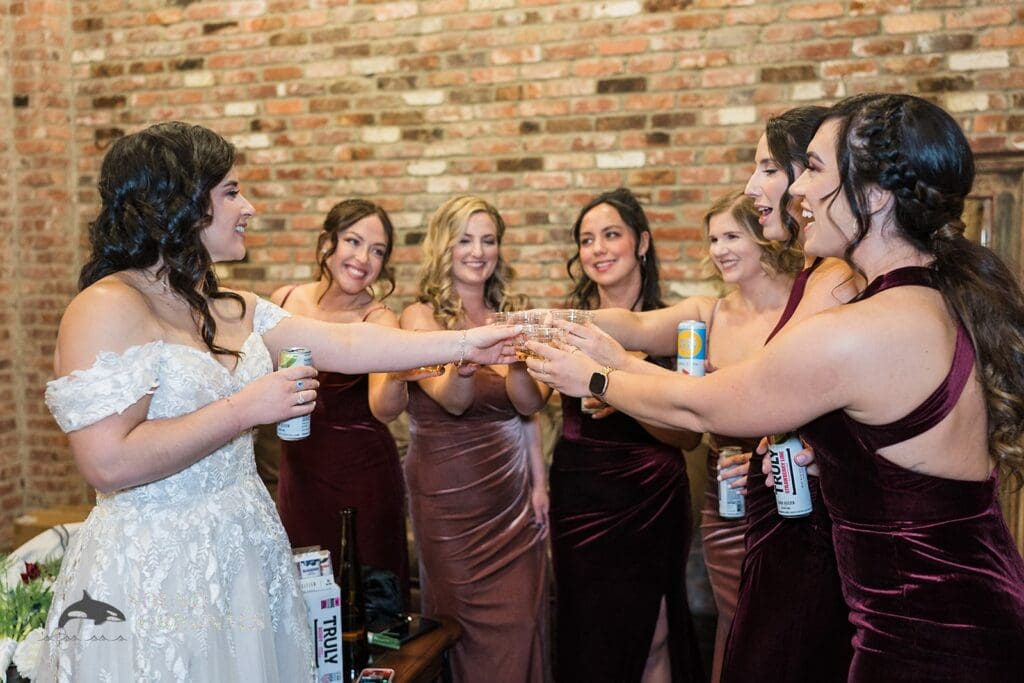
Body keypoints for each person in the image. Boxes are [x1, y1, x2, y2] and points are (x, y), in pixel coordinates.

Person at [530, 94, 1024, 682]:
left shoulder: (861, 327)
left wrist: (596, 375)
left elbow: (706, 405)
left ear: (872, 195)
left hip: (933, 631)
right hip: (952, 607)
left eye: (812, 170)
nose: (796, 191)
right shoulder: (923, 298)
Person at [39, 122, 518, 682]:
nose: (250, 208)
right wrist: (245, 409)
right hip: (156, 567)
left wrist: (464, 342)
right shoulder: (106, 306)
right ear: (181, 203)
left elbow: (348, 341)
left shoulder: (233, 306)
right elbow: (107, 463)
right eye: (232, 192)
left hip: (244, 549)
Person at [571, 188, 802, 682]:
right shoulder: (707, 312)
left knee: (785, 634)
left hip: (793, 500)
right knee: (733, 626)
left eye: (731, 236)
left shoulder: (806, 313)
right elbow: (632, 324)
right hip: (726, 504)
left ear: (767, 237)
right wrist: (564, 321)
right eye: (713, 238)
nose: (719, 249)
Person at [548, 188, 705, 683]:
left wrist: (621, 391)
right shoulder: (567, 326)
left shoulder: (673, 327)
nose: (597, 248)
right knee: (587, 630)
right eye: (587, 239)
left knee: (654, 629)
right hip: (579, 492)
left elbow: (687, 438)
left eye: (611, 234)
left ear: (642, 243)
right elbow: (528, 402)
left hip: (651, 497)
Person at [400, 195, 550, 682]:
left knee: (523, 622)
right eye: (465, 239)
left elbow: (529, 407)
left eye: (488, 240)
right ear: (444, 245)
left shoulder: (515, 314)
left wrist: (539, 485)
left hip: (509, 500)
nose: (478, 251)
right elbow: (453, 400)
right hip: (448, 501)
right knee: (457, 629)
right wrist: (466, 360)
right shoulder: (420, 319)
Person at [271, 199, 426, 609]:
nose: (363, 259)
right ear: (328, 243)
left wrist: (397, 371)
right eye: (354, 242)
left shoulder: (378, 319)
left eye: (377, 251)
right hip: (299, 476)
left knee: (368, 606)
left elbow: (384, 409)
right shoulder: (283, 301)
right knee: (301, 604)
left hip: (364, 481)